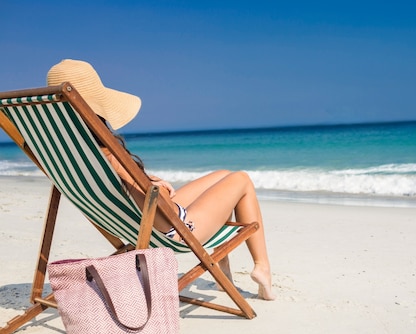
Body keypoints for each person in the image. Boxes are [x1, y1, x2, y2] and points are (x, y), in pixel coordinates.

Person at [47, 59, 276, 300]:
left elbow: (126, 185)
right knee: (241, 180)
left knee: (222, 177)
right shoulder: (109, 154)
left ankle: (222, 266)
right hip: (175, 230)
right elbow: (153, 197)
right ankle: (262, 267)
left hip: (138, 223)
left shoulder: (71, 151)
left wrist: (146, 179)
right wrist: (157, 188)